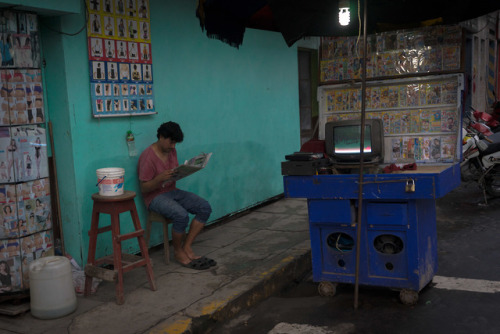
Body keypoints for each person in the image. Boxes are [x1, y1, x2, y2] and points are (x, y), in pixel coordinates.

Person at [137, 121, 215, 270]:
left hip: (172, 191)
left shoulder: (171, 151)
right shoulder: (148, 157)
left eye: (175, 143)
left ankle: (186, 246)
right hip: (155, 197)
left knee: (204, 207)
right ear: (161, 136)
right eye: (171, 142)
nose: (173, 146)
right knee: (181, 215)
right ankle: (178, 251)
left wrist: (185, 171)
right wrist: (159, 179)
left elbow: (173, 173)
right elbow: (144, 188)